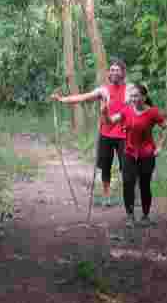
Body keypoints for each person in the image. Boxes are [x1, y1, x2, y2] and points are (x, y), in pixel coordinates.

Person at [50, 59, 128, 204]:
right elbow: (82, 98)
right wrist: (62, 99)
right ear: (108, 73)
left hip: (124, 135)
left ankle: (129, 194)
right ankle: (106, 195)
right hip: (106, 134)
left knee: (127, 166)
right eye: (112, 70)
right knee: (105, 167)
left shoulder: (129, 90)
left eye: (117, 70)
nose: (114, 73)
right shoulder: (103, 90)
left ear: (123, 72)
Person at [107, 82, 167, 226]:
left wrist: (160, 146)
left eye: (136, 96)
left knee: (144, 185)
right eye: (132, 96)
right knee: (128, 183)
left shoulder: (152, 112)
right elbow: (110, 121)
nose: (133, 99)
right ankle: (130, 216)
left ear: (144, 97)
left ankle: (145, 216)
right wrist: (104, 111)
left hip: (146, 154)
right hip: (129, 153)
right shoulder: (126, 110)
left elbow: (166, 127)